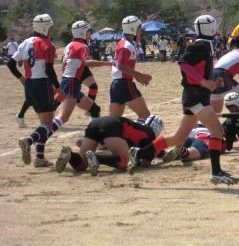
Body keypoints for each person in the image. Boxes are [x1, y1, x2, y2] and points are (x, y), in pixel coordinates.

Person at [127, 15, 239, 185]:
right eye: (213, 25)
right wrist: (203, 82)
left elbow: (198, 69)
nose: (215, 27)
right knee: (217, 132)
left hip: (196, 95)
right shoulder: (200, 44)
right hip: (195, 96)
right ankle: (216, 172)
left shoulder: (204, 45)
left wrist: (213, 82)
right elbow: (183, 64)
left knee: (178, 137)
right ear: (208, 27)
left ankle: (140, 153)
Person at [7, 14, 61, 167]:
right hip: (42, 84)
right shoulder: (48, 45)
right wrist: (58, 88)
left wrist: (21, 78)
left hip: (29, 85)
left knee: (44, 123)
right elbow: (50, 70)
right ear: (44, 28)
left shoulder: (25, 42)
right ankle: (29, 140)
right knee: (48, 125)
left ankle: (40, 157)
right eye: (51, 28)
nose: (52, 31)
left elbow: (11, 63)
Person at [50, 21, 111, 137]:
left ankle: (95, 135)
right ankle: (40, 134)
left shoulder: (69, 45)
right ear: (82, 32)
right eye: (88, 32)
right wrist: (108, 63)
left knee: (95, 109)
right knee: (63, 117)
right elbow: (87, 62)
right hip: (72, 82)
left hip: (69, 82)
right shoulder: (83, 46)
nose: (90, 34)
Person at [55, 115, 164, 176]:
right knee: (125, 162)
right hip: (112, 126)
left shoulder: (139, 127)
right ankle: (97, 158)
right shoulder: (149, 134)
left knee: (82, 165)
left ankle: (70, 155)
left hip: (96, 123)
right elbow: (145, 163)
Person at [110, 16, 152, 122]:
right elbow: (121, 65)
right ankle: (139, 138)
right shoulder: (126, 46)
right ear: (133, 29)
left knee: (113, 122)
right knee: (145, 116)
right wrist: (139, 75)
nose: (140, 31)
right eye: (139, 28)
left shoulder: (125, 43)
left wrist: (136, 76)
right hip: (124, 84)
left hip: (116, 85)